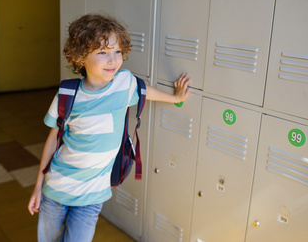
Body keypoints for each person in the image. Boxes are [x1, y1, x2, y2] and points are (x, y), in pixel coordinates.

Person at [28, 14, 191, 242]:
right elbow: (53, 139)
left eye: (117, 51)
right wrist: (38, 186)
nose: (113, 60)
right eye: (102, 52)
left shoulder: (124, 84)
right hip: (56, 188)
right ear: (80, 57)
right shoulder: (67, 95)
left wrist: (175, 97)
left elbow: (146, 91)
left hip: (93, 195)